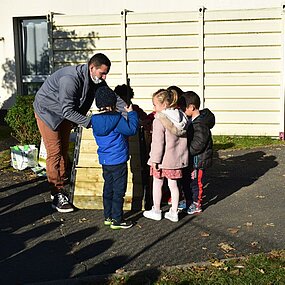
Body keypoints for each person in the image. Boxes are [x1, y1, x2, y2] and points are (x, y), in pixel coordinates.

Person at [33, 53, 126, 213]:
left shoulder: (95, 79)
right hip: (47, 112)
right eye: (102, 73)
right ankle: (57, 193)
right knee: (54, 152)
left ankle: (61, 182)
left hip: (63, 113)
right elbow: (67, 111)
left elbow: (112, 97)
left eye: (106, 74)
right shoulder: (70, 79)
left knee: (63, 150)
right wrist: (92, 123)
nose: (104, 77)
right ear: (92, 68)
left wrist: (130, 113)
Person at [91, 86, 139, 229]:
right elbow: (131, 130)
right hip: (118, 160)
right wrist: (131, 114)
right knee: (119, 190)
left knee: (108, 188)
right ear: (113, 103)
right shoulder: (117, 119)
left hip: (105, 160)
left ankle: (108, 216)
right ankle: (117, 220)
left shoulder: (94, 120)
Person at [143, 89, 188, 222]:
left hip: (162, 160)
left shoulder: (159, 120)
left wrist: (154, 160)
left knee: (157, 183)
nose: (154, 108)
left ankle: (156, 210)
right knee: (174, 185)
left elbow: (158, 142)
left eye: (155, 105)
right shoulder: (181, 117)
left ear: (164, 105)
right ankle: (174, 212)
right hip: (176, 160)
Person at [178, 91, 215, 214]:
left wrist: (187, 151)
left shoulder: (200, 124)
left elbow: (199, 143)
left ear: (192, 107)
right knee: (188, 181)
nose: (182, 110)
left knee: (197, 182)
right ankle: (189, 200)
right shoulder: (192, 121)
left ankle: (196, 203)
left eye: (184, 108)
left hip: (198, 160)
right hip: (192, 159)